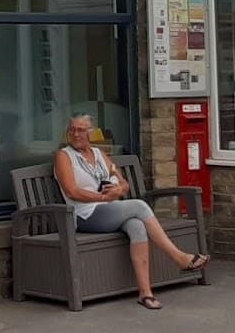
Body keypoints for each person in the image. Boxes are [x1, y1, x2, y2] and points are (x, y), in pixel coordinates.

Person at [54, 113, 210, 310]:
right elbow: (72, 191)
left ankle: (145, 293)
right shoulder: (64, 156)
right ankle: (179, 258)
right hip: (83, 215)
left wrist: (118, 189)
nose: (76, 134)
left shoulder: (100, 155)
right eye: (72, 130)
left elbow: (123, 183)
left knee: (137, 226)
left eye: (81, 130)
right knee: (139, 206)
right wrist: (103, 198)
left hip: (110, 210)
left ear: (91, 132)